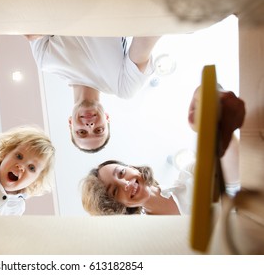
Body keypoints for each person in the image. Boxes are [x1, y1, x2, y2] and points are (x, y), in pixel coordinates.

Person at [80, 88, 245, 215]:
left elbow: (233, 179)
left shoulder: (189, 173)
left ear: (133, 168)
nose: (125, 183)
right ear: (118, 206)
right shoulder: (150, 237)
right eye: (115, 191)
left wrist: (220, 126)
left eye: (122, 173)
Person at [26, 35, 160, 153]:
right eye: (99, 130)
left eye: (82, 132)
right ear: (106, 118)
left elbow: (34, 22)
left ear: (70, 122)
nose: (90, 126)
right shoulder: (123, 87)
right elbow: (148, 35)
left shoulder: (45, 62)